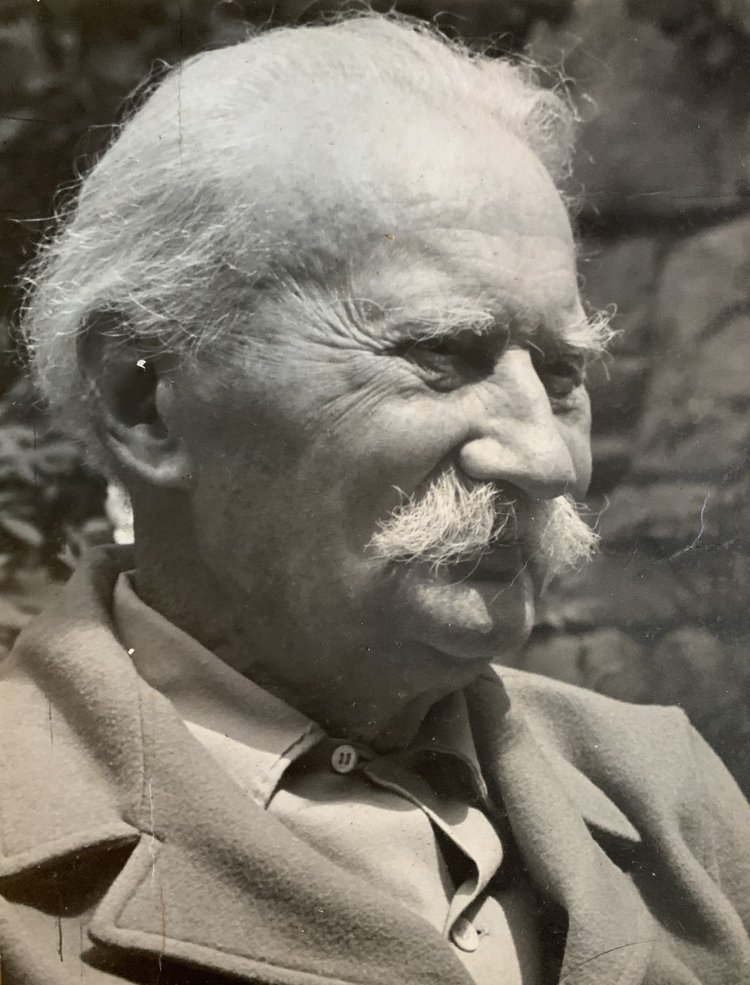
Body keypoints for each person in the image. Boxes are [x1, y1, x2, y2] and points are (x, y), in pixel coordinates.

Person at [1, 14, 748, 985]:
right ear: (145, 399)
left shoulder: (667, 796)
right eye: (442, 353)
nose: (548, 460)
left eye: (562, 372)